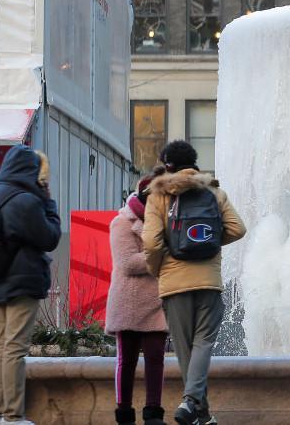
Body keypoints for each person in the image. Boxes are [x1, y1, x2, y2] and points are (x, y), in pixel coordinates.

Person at [142, 141, 246, 425]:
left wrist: (158, 269)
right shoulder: (214, 193)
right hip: (208, 282)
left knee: (186, 349)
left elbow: (151, 244)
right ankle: (198, 411)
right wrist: (211, 242)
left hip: (174, 284)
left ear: (168, 166)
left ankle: (192, 405)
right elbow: (238, 228)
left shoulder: (158, 196)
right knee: (203, 342)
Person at [0, 146, 62, 425]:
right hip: (21, 282)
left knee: (0, 347)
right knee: (15, 347)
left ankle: (1, 414)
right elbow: (49, 237)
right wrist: (48, 201)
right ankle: (13, 416)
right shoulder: (26, 200)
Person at [107, 169, 169, 425]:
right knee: (128, 360)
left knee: (156, 358)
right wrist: (164, 255)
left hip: (157, 301)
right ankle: (124, 414)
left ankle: (153, 414)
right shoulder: (121, 222)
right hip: (129, 302)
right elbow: (127, 263)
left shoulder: (165, 221)